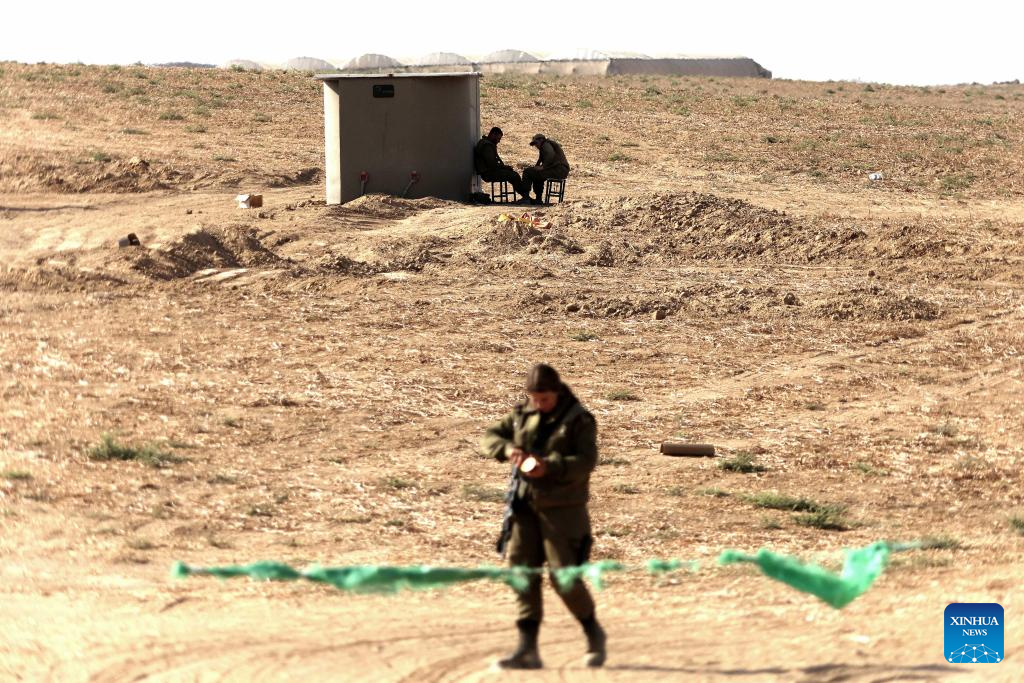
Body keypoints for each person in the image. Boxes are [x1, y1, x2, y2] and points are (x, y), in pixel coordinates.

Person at [480, 363, 606, 670]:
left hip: (563, 511)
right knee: (522, 573)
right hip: (525, 507)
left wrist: (549, 466)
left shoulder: (579, 420)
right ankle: (527, 649)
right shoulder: (523, 414)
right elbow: (491, 436)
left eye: (545, 399)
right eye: (534, 398)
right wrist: (508, 450)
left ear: (557, 393)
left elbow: (586, 461)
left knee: (564, 577)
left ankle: (593, 633)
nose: (539, 404)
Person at [474, 127, 530, 201]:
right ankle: (526, 197)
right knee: (514, 176)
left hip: (489, 171)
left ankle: (526, 197)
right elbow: (492, 164)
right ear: (493, 135)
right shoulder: (487, 146)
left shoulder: (487, 144)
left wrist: (504, 167)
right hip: (488, 173)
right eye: (498, 138)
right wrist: (504, 167)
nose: (499, 141)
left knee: (513, 175)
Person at [522, 134, 570, 204]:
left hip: (558, 170)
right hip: (560, 170)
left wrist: (543, 167)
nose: (536, 146)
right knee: (536, 174)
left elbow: (550, 155)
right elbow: (541, 161)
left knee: (527, 172)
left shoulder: (546, 145)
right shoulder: (545, 146)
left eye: (536, 143)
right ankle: (538, 199)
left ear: (541, 140)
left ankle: (526, 198)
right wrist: (536, 168)